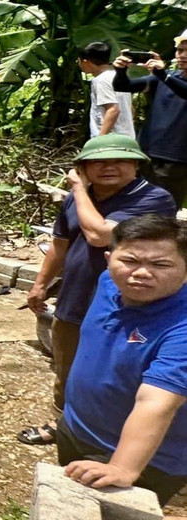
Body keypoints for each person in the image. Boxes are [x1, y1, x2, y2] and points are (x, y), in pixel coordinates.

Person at [19, 135, 177, 445]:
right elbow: (59, 246)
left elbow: (99, 235)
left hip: (129, 305)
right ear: (83, 168)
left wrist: (77, 188)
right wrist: (39, 284)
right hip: (75, 297)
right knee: (68, 368)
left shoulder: (154, 199)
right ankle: (64, 423)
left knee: (121, 373)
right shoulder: (75, 200)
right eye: (98, 162)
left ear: (136, 165)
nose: (108, 167)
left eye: (119, 160)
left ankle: (125, 437)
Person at [57, 215, 187, 504]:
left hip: (140, 457)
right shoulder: (108, 283)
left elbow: (157, 402)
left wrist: (122, 466)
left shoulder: (182, 325)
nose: (141, 273)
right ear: (108, 258)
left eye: (161, 264)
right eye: (130, 260)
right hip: (76, 426)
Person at [114, 42, 187, 206]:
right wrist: (121, 70)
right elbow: (123, 86)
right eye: (180, 50)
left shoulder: (165, 77)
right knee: (131, 203)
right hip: (145, 153)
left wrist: (163, 75)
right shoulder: (166, 76)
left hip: (175, 158)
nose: (182, 55)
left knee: (162, 210)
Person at [80, 42, 134, 139]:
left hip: (110, 141)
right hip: (127, 137)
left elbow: (113, 109)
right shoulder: (119, 77)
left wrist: (100, 139)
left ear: (85, 62)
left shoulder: (101, 80)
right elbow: (131, 108)